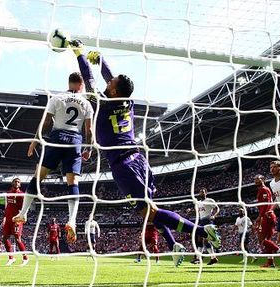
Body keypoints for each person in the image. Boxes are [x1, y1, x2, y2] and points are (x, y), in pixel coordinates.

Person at [67, 40, 220, 260]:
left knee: (149, 212)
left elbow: (89, 79)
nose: (108, 81)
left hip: (124, 165)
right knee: (149, 213)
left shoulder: (103, 103)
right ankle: (174, 245)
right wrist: (101, 60)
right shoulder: (127, 102)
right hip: (139, 160)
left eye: (111, 82)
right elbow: (110, 78)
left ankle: (200, 231)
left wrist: (79, 53)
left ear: (114, 90)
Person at [12, 72, 94, 243]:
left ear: (69, 83)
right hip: (75, 141)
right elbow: (89, 130)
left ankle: (24, 213)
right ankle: (71, 219)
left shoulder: (57, 98)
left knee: (38, 177)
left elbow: (46, 122)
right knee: (73, 182)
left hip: (57, 138)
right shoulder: (86, 103)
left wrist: (35, 141)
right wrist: (89, 149)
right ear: (81, 85)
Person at [254, 174, 280, 268]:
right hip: (267, 216)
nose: (255, 180)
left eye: (258, 178)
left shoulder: (264, 189)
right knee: (267, 240)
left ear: (263, 179)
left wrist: (260, 216)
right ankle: (270, 262)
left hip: (267, 216)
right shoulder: (262, 190)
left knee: (262, 240)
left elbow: (266, 204)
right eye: (255, 179)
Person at [2, 178, 28, 266]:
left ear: (20, 184)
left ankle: (25, 258)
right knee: (4, 239)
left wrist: (22, 218)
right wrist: (4, 218)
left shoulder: (21, 195)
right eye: (15, 181)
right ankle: (11, 258)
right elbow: (7, 206)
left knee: (17, 239)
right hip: (8, 219)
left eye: (18, 182)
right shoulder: (8, 193)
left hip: (16, 219)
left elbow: (24, 208)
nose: (17, 183)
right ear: (12, 183)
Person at [190, 188, 220, 265]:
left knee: (206, 240)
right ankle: (202, 258)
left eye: (203, 192)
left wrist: (214, 215)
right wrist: (190, 211)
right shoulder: (198, 203)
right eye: (200, 192)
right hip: (201, 221)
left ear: (206, 193)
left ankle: (202, 258)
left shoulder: (210, 200)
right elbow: (197, 211)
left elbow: (217, 208)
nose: (201, 193)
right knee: (200, 240)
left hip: (208, 221)